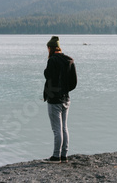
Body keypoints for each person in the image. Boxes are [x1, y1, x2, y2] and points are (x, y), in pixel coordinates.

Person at [43, 35, 77, 163]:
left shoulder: (52, 60)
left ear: (51, 48)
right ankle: (64, 155)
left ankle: (56, 156)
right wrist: (65, 90)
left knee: (56, 129)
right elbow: (73, 82)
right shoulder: (69, 60)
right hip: (66, 99)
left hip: (54, 100)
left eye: (48, 48)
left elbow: (48, 76)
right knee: (64, 128)